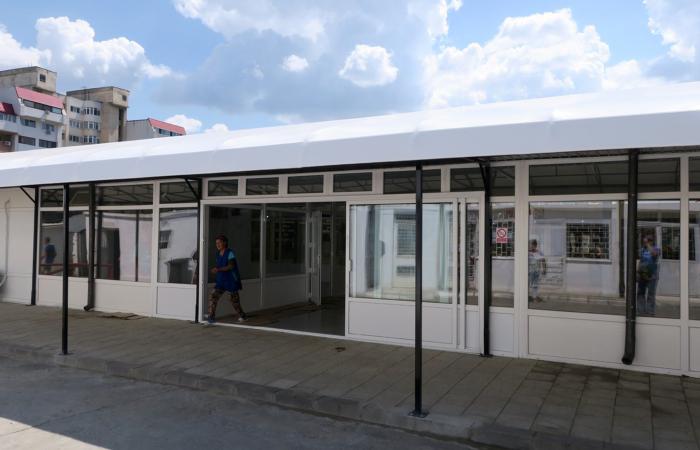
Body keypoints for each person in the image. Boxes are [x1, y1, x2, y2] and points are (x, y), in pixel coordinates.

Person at [207, 235, 247, 324]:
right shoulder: (217, 254)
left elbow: (231, 266)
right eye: (216, 243)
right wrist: (216, 270)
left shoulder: (230, 253)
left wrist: (218, 269)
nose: (217, 245)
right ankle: (211, 317)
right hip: (221, 281)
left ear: (225, 243)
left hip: (231, 280)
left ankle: (242, 316)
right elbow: (219, 266)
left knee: (234, 301)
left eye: (219, 243)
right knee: (213, 296)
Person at [637, 234, 660, 315]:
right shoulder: (642, 250)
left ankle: (650, 312)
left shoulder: (656, 249)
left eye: (648, 240)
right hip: (642, 275)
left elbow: (654, 254)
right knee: (640, 293)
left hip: (652, 275)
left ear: (652, 241)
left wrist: (648, 245)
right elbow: (641, 261)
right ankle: (641, 311)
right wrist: (638, 272)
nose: (646, 242)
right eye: (646, 241)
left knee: (651, 294)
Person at [528, 239, 546, 303]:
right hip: (529, 271)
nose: (531, 246)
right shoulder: (527, 253)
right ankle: (525, 297)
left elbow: (543, 260)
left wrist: (544, 269)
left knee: (535, 285)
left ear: (536, 245)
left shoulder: (539, 252)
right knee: (527, 284)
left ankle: (534, 297)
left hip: (536, 271)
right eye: (531, 245)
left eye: (533, 245)